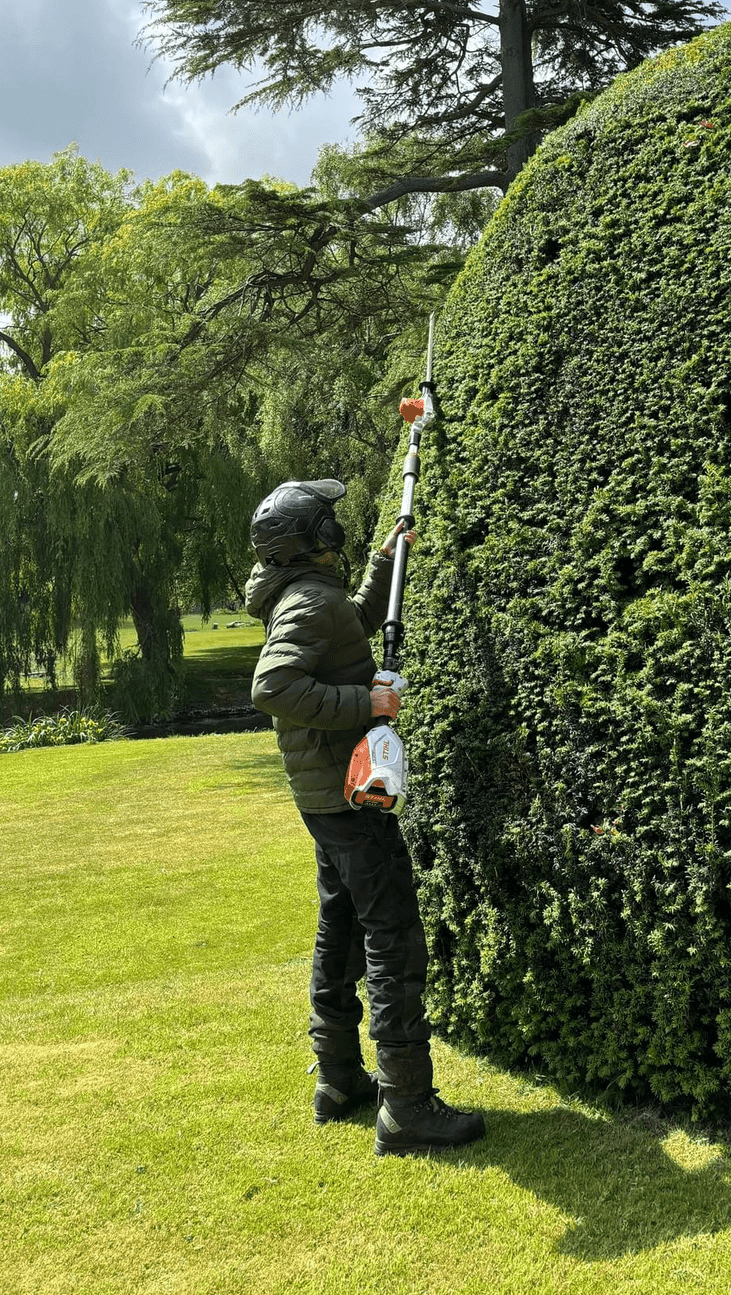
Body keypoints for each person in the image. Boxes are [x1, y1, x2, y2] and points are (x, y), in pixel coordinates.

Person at [244, 477, 485, 1156]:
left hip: (326, 794)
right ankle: (407, 1106)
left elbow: (346, 622)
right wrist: (368, 706)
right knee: (392, 938)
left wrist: (385, 562)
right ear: (312, 540)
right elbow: (274, 685)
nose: (334, 530)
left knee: (342, 924)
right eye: (326, 522)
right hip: (348, 798)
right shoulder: (308, 602)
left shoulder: (310, 598)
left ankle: (342, 1081)